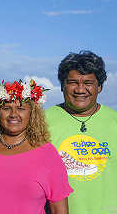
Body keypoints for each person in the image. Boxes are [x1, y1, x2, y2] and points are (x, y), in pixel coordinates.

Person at [0, 79, 73, 214]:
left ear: (32, 114)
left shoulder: (47, 154)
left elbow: (60, 210)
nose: (13, 114)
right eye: (6, 108)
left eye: (21, 108)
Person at [45, 50, 117, 214]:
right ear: (62, 85)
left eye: (88, 83)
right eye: (73, 82)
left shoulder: (114, 122)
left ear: (99, 87)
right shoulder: (41, 121)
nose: (80, 89)